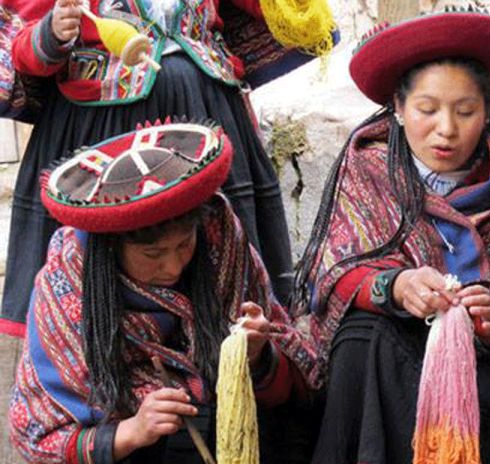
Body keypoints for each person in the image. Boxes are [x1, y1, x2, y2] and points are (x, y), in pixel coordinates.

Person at [291, 6, 490, 464]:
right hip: (392, 380)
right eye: (427, 109)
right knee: (364, 332)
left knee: (403, 354)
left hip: (487, 396)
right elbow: (333, 274)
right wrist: (394, 287)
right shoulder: (368, 166)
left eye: (465, 110)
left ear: (488, 110)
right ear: (396, 107)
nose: (446, 129)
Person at [7, 122, 315, 464]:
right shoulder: (66, 280)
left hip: (221, 444)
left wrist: (256, 355)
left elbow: (294, 367)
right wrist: (130, 432)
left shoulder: (219, 239)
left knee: (254, 421)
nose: (172, 266)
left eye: (182, 247)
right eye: (152, 253)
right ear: (110, 249)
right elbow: (43, 434)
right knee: (171, 427)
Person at [0, 0, 332, 335]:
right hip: (107, 126)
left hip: (208, 112)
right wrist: (53, 33)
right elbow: (23, 49)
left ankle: (237, 356)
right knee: (120, 257)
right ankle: (116, 363)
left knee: (218, 247)